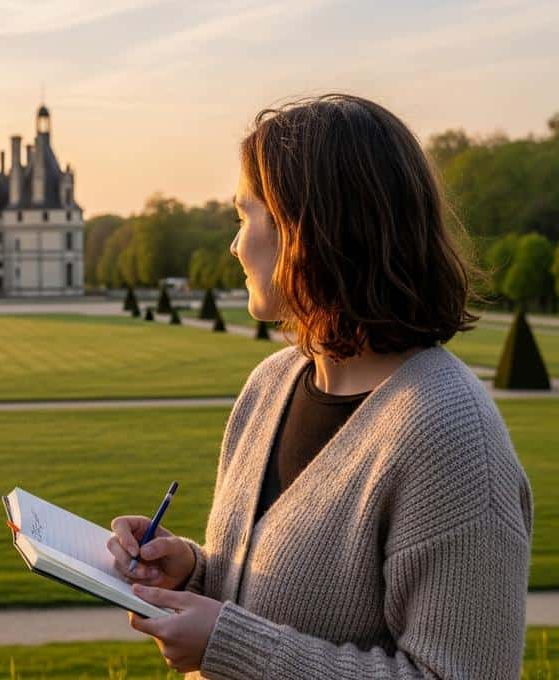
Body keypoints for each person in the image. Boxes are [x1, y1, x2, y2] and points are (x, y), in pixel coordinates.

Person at [106, 93, 533, 679]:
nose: (234, 245)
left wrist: (228, 644)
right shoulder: (270, 384)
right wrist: (191, 573)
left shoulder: (451, 438)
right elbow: (276, 601)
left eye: (245, 217)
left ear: (309, 230)